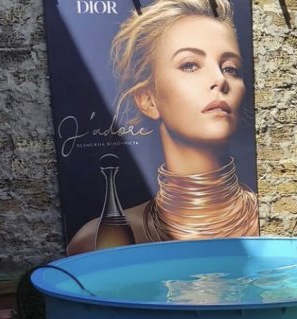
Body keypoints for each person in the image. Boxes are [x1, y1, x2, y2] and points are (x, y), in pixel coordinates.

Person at [66, 0, 259, 255]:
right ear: (148, 99)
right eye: (189, 65)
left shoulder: (271, 220)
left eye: (230, 68)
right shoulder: (100, 238)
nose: (220, 79)